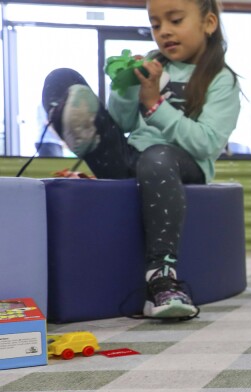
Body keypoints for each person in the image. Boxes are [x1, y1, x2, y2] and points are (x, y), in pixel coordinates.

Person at [41, 0, 240, 320]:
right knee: (64, 79)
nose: (164, 32)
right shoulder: (152, 63)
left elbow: (206, 144)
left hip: (182, 164)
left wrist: (153, 105)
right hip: (133, 158)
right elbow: (124, 124)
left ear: (209, 23)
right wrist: (124, 88)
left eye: (175, 20)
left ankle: (162, 277)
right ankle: (86, 134)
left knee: (157, 157)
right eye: (156, 24)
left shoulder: (221, 79)